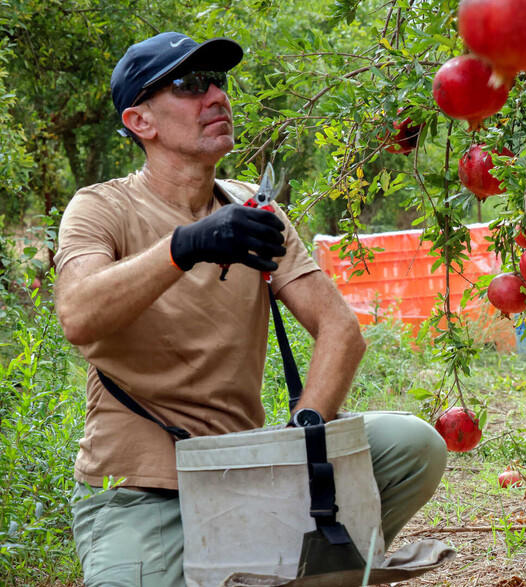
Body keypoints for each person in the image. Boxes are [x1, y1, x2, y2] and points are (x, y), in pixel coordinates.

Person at [54, 32, 447, 586]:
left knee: (411, 445)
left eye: (218, 81)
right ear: (141, 121)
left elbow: (339, 328)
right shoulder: (101, 208)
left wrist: (306, 434)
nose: (216, 96)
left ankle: (302, 564)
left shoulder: (252, 209)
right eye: (190, 84)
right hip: (142, 491)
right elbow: (78, 315)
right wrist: (184, 246)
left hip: (247, 470)